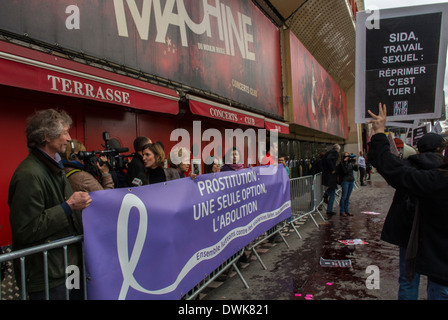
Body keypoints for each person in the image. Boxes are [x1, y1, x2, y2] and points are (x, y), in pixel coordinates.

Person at [8, 109, 92, 300]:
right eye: (64, 132)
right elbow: (26, 228)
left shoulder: (55, 167)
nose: (69, 138)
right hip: (47, 275)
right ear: (47, 136)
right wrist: (68, 206)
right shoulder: (29, 175)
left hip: (67, 267)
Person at [367, 103, 448, 300]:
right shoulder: (438, 177)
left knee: (408, 280)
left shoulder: (427, 175)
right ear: (441, 149)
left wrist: (379, 132)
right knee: (439, 286)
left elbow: (387, 165)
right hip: (438, 248)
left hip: (409, 235)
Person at [322, 144, 341, 216]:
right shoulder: (334, 153)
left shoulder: (328, 153)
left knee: (333, 192)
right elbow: (329, 160)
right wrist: (333, 169)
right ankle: (326, 194)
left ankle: (329, 209)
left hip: (327, 174)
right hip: (330, 175)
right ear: (338, 149)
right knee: (332, 190)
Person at [338, 152, 358, 217]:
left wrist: (354, 164)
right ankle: (342, 211)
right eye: (346, 156)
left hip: (351, 180)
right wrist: (345, 163)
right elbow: (345, 172)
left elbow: (356, 170)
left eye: (348, 156)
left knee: (348, 197)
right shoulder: (341, 164)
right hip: (345, 180)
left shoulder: (350, 163)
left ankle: (347, 210)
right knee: (344, 196)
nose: (348, 157)